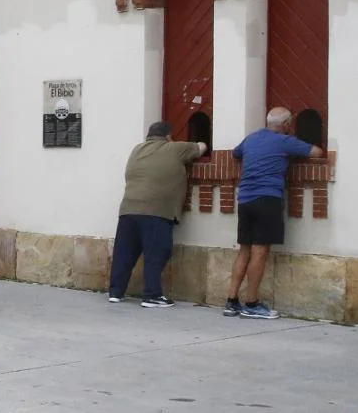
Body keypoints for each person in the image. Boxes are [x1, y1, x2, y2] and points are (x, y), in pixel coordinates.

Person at [223, 107, 324, 320]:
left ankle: (231, 301)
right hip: (267, 199)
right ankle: (251, 303)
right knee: (260, 251)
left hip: (245, 200)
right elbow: (317, 153)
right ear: (286, 124)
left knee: (244, 250)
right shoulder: (284, 141)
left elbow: (235, 153)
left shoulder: (251, 138)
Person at [107, 121, 207, 308]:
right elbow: (202, 147)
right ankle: (152, 295)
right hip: (156, 211)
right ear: (168, 136)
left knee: (124, 254)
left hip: (128, 209)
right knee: (156, 253)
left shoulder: (137, 150)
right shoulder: (175, 148)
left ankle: (115, 292)